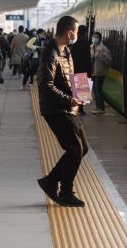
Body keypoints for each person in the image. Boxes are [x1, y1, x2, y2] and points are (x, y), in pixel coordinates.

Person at [36, 16, 88, 207]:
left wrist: (81, 92)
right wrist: (70, 99)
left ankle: (50, 181)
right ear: (69, 32)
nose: (76, 34)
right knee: (75, 149)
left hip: (68, 107)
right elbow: (45, 85)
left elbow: (70, 77)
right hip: (55, 108)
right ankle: (65, 191)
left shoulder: (66, 51)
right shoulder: (51, 52)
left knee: (83, 148)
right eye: (75, 31)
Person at [90, 32, 112, 115]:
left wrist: (104, 58)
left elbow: (109, 61)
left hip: (100, 72)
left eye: (96, 37)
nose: (94, 38)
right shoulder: (91, 47)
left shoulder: (103, 49)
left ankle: (101, 108)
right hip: (93, 72)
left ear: (100, 39)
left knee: (98, 90)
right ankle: (97, 107)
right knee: (95, 91)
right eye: (93, 37)